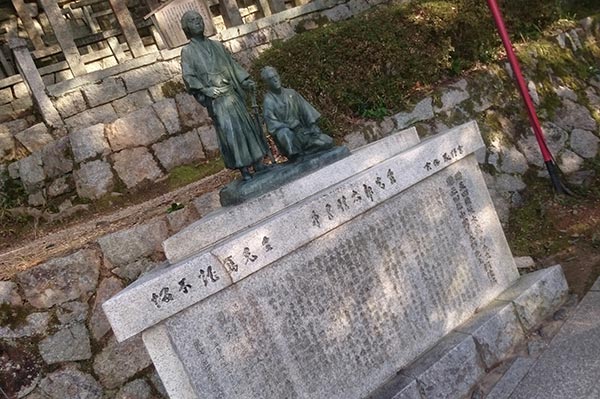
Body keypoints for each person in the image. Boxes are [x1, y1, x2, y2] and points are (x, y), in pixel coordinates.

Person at [180, 11, 268, 180]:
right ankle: (244, 169)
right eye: (193, 21)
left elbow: (232, 65)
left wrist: (244, 81)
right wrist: (206, 90)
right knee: (231, 133)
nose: (198, 23)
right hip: (218, 99)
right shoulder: (188, 52)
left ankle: (258, 163)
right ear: (186, 28)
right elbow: (189, 77)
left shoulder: (217, 46)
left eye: (199, 19)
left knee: (246, 127)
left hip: (232, 94)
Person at [260, 66, 333, 161]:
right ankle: (296, 155)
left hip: (302, 131)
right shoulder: (268, 101)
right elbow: (272, 124)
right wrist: (288, 125)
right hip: (288, 135)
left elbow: (305, 111)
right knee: (284, 133)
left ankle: (306, 152)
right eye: (270, 79)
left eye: (276, 76)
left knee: (327, 142)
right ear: (267, 82)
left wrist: (312, 125)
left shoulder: (291, 93)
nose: (275, 80)